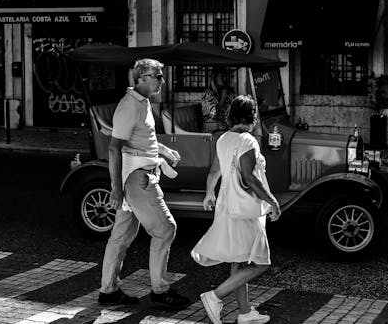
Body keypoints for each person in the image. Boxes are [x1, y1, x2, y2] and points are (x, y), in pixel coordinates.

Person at [98, 58, 190, 310]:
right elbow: (114, 148)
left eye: (161, 75)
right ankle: (160, 292)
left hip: (140, 174)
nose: (163, 80)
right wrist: (115, 190)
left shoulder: (143, 103)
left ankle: (108, 291)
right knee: (165, 229)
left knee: (121, 236)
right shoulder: (129, 107)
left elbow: (141, 139)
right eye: (157, 76)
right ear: (141, 79)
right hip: (139, 178)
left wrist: (164, 149)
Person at [191, 95, 281, 324]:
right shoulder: (247, 140)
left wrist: (209, 194)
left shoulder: (223, 139)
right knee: (261, 263)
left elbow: (214, 172)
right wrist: (272, 201)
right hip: (246, 210)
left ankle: (245, 313)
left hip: (227, 206)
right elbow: (250, 177)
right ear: (252, 116)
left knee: (238, 260)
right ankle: (215, 296)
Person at [201, 68, 235, 132]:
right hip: (212, 129)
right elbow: (212, 117)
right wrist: (222, 99)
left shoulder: (228, 93)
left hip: (226, 128)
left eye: (225, 76)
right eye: (222, 76)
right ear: (215, 77)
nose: (224, 79)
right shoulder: (208, 94)